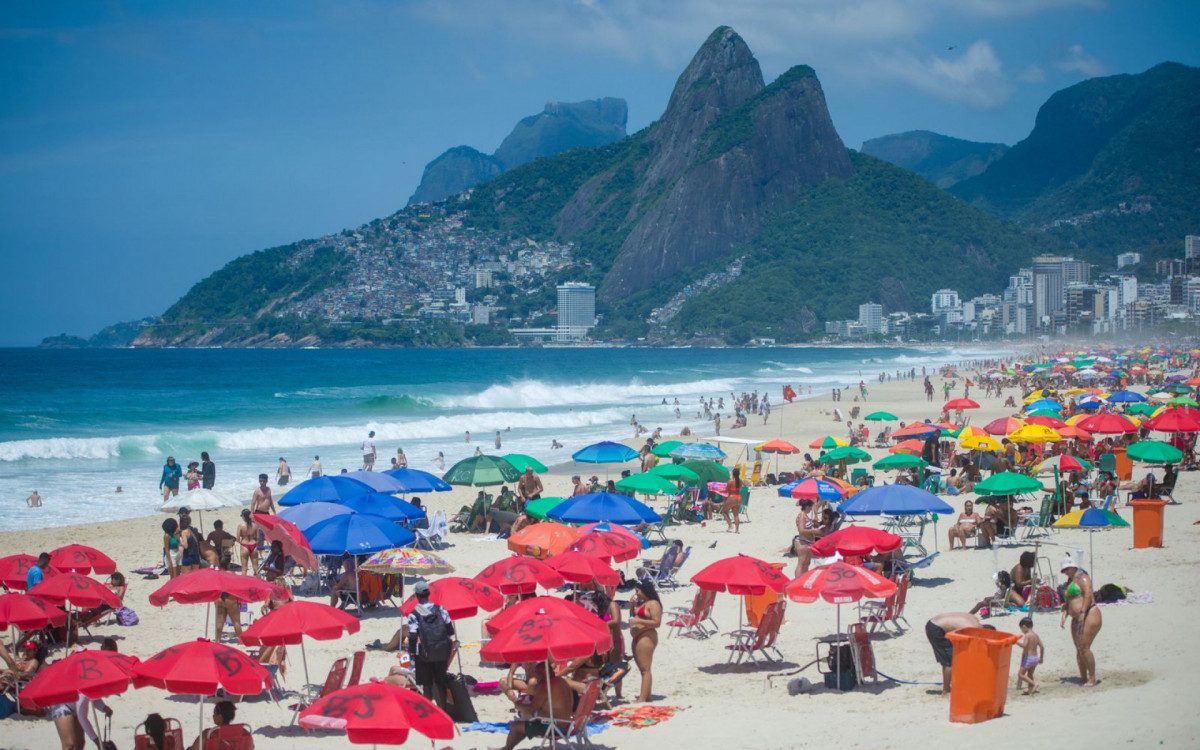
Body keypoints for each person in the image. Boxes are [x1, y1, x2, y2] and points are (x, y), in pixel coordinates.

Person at [500, 660, 573, 750]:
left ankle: (506, 749)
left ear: (542, 674)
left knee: (516, 726)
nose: (536, 678)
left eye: (537, 674)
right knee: (524, 725)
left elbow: (531, 709)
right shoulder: (562, 681)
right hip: (568, 724)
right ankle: (506, 748)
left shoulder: (547, 687)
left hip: (554, 727)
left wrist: (517, 704)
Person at [407, 580, 454, 710]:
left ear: (416, 596)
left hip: (425, 654)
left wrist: (412, 653)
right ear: (428, 594)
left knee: (427, 684)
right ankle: (444, 710)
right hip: (442, 651)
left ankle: (430, 711)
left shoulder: (414, 614)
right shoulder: (441, 609)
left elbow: (412, 636)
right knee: (441, 682)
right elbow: (451, 631)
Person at [1060, 555, 1102, 687]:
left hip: (1089, 613)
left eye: (1068, 569)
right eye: (1064, 570)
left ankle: (1092, 677)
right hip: (1076, 617)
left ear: (1073, 567)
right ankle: (1083, 676)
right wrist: (1064, 615)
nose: (1066, 572)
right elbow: (1068, 602)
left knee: (1084, 647)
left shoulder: (1083, 578)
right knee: (1078, 648)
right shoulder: (1069, 583)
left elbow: (1088, 594)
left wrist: (1083, 612)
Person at [926, 612, 988, 695]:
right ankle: (946, 690)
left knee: (955, 657)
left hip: (935, 622)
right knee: (949, 662)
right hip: (936, 629)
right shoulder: (972, 628)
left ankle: (954, 683)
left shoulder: (975, 620)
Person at [628, 580, 662, 703]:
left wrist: (639, 622)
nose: (636, 594)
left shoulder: (653, 604)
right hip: (637, 636)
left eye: (638, 591)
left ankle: (642, 698)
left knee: (645, 669)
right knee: (642, 669)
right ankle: (646, 696)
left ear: (644, 590)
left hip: (647, 635)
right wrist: (632, 606)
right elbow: (632, 617)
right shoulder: (642, 603)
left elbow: (657, 622)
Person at [1017, 616, 1043, 696]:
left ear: (1024, 627)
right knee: (1030, 675)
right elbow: (1042, 647)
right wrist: (1041, 658)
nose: (1022, 631)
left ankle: (1034, 684)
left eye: (1021, 629)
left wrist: (1016, 642)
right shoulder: (1035, 635)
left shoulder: (1027, 635)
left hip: (1029, 658)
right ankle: (1030, 690)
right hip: (1035, 658)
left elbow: (1024, 646)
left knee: (1020, 674)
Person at [236, 509, 259, 575]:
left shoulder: (240, 526)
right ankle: (259, 583)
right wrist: (255, 542)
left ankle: (244, 585)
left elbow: (237, 539)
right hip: (253, 545)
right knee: (256, 568)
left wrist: (241, 543)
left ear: (243, 516)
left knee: (244, 569)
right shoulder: (255, 525)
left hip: (244, 545)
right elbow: (258, 538)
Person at [720, 467, 743, 533]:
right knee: (736, 515)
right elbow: (739, 489)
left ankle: (730, 525)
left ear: (732, 474)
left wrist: (719, 490)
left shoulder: (730, 481)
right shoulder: (740, 481)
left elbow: (726, 490)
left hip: (732, 497)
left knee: (724, 511)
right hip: (739, 497)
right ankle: (737, 530)